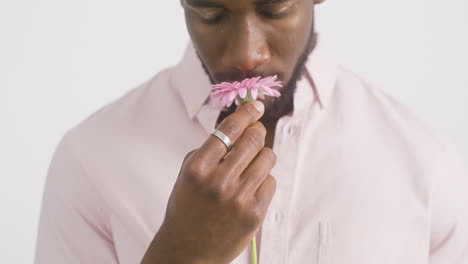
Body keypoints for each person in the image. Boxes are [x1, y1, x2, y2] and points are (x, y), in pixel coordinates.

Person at [34, 0, 468, 263]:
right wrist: (184, 255)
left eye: (274, 8)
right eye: (211, 13)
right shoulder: (90, 159)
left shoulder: (426, 162)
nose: (246, 54)